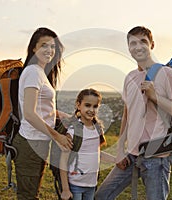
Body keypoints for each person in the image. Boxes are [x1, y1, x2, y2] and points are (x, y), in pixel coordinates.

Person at [95, 26, 172, 200]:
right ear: (129, 48)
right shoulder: (129, 77)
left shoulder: (166, 74)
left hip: (156, 157)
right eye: (133, 43)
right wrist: (119, 150)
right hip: (131, 154)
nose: (137, 46)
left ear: (152, 45)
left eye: (143, 41)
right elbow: (127, 115)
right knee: (102, 195)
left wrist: (155, 97)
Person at [13, 27, 73, 200]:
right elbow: (30, 114)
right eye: (44, 45)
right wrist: (57, 136)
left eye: (52, 46)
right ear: (34, 48)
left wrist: (62, 115)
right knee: (28, 195)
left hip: (38, 142)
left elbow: (41, 108)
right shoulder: (33, 72)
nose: (49, 50)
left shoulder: (40, 72)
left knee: (32, 193)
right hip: (30, 142)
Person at [60, 88, 115, 200]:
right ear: (78, 105)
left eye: (95, 106)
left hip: (91, 184)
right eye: (87, 105)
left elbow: (96, 153)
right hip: (75, 184)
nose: (91, 109)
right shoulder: (74, 130)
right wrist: (65, 189)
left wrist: (116, 160)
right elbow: (63, 160)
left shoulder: (97, 129)